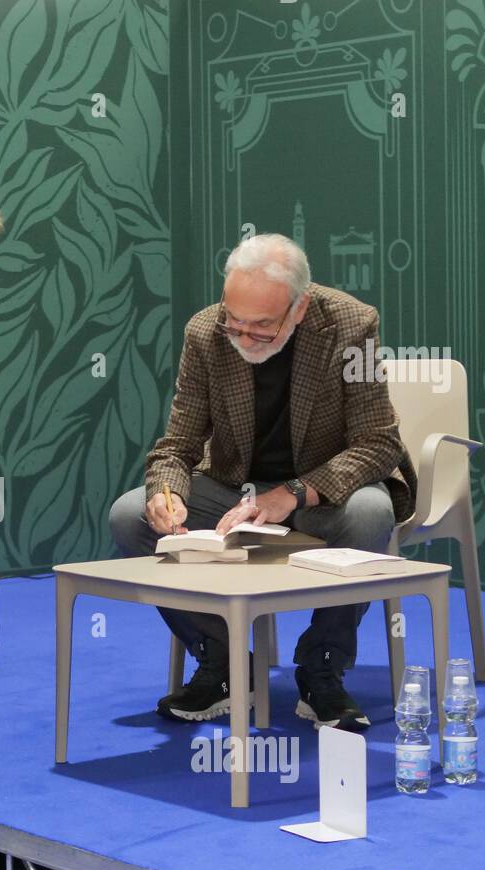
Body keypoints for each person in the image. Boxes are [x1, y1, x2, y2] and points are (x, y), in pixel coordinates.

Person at [109, 233, 418, 730]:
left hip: (321, 489)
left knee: (370, 513)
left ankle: (322, 668)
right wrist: (167, 493)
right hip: (235, 487)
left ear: (300, 308)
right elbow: (178, 445)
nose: (244, 337)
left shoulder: (350, 325)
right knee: (129, 516)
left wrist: (292, 493)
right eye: (235, 321)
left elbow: (378, 443)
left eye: (262, 327)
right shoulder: (206, 332)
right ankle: (224, 661)